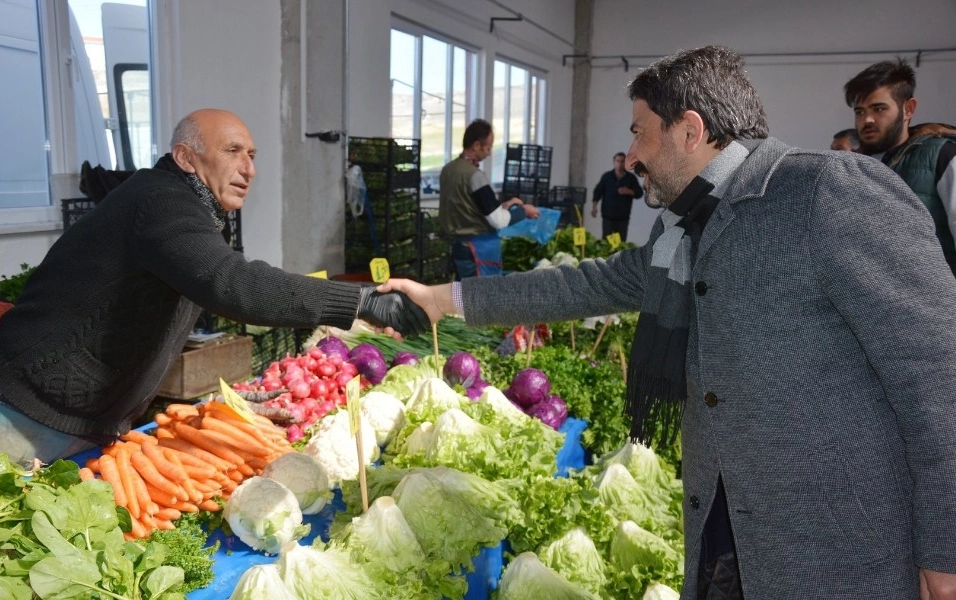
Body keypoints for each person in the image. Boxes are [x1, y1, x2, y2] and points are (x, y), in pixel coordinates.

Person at [382, 46, 956, 599]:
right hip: (725, 526)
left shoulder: (826, 193)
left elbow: (936, 377)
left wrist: (946, 548)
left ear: (689, 129)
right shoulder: (682, 229)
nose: (631, 155)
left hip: (834, 548)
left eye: (639, 132)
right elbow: (587, 283)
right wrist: (446, 297)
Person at [0, 108, 429, 468]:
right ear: (186, 157)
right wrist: (361, 301)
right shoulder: (161, 201)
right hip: (21, 415)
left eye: (252, 155)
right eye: (232, 151)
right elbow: (232, 282)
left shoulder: (186, 212)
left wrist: (204, 408)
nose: (249, 168)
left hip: (68, 418)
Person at [844, 59, 956, 277]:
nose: (867, 119)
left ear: (908, 109)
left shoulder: (943, 156)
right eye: (859, 111)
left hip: (939, 304)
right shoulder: (851, 168)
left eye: (878, 109)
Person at [439, 119, 539, 280]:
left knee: (462, 296)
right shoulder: (475, 176)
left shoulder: (448, 170)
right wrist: (523, 211)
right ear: (477, 145)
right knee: (479, 301)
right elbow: (498, 221)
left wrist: (504, 206)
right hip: (476, 250)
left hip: (458, 248)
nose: (490, 152)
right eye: (488, 147)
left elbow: (467, 206)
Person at [591, 151, 644, 240]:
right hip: (608, 216)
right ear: (614, 161)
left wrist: (629, 191)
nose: (619, 163)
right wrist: (594, 207)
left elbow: (640, 193)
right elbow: (598, 192)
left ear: (625, 162)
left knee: (620, 244)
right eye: (617, 161)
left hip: (622, 218)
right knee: (606, 242)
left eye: (622, 161)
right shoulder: (607, 177)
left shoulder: (630, 178)